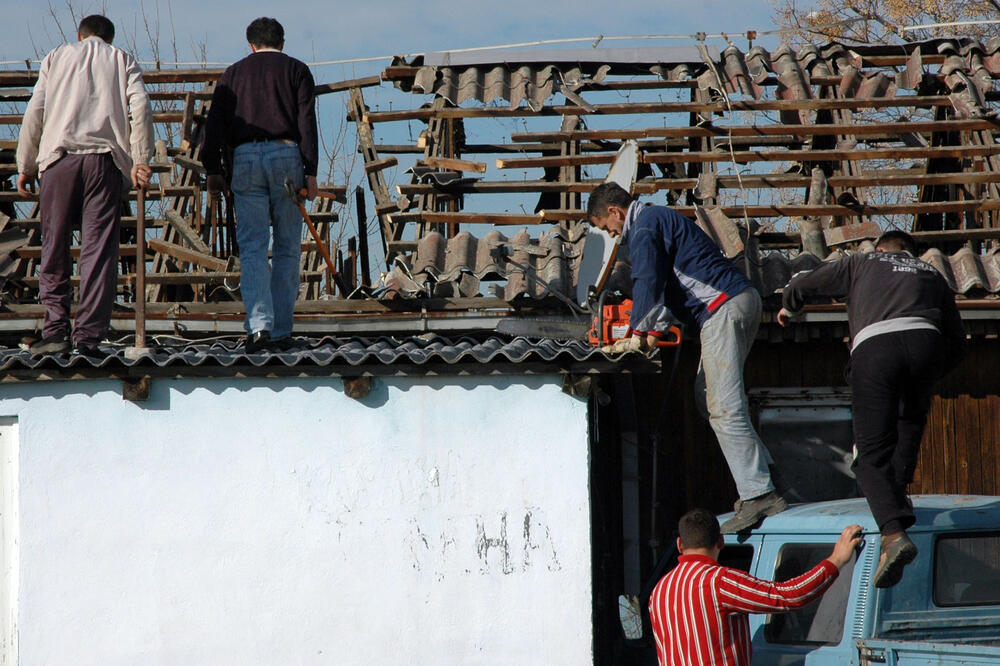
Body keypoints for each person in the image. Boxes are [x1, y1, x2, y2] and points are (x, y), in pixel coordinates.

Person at [587, 182, 785, 532]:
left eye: (607, 227)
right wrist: (646, 334)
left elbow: (648, 279)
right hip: (732, 304)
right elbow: (666, 287)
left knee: (724, 406)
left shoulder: (645, 224)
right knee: (706, 396)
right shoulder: (657, 220)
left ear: (616, 212)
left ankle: (759, 493)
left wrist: (638, 335)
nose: (612, 234)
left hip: (722, 307)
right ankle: (768, 474)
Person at [778, 230, 966, 588]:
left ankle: (894, 535)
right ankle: (897, 513)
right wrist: (929, 372)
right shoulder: (932, 275)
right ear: (911, 254)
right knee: (903, 440)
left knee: (869, 456)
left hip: (878, 347)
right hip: (927, 344)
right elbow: (958, 344)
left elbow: (810, 280)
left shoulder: (863, 261)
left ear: (881, 248)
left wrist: (791, 304)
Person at [16, 14, 154, 357]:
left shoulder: (57, 57)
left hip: (59, 161)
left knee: (55, 246)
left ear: (80, 35)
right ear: (109, 37)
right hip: (103, 164)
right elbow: (141, 106)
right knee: (98, 251)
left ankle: (56, 330)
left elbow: (36, 110)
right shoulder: (122, 59)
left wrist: (26, 164)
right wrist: (141, 160)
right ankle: (88, 337)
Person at [201, 17, 318, 353]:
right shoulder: (297, 70)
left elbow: (215, 125)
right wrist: (310, 171)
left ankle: (259, 328)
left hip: (246, 157)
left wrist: (213, 168)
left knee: (252, 247)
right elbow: (306, 122)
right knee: (287, 247)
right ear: (282, 41)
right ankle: (281, 331)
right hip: (286, 155)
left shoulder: (233, 74)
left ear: (250, 45)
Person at [649, 508, 862, 666]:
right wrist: (836, 560)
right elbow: (789, 596)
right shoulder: (719, 582)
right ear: (721, 542)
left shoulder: (659, 591)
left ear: (680, 544)